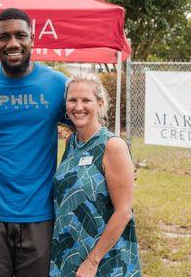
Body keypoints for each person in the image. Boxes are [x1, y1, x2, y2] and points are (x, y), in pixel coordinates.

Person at [0, 8, 69, 277]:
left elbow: (87, 127)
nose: (13, 43)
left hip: (40, 213)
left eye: (20, 35)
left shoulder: (57, 84)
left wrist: (116, 156)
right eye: (4, 37)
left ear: (33, 39)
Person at [50, 73, 141, 277]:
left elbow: (124, 212)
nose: (78, 106)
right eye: (72, 100)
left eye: (86, 100)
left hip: (102, 261)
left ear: (100, 104)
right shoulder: (71, 143)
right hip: (68, 253)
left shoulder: (112, 146)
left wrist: (93, 261)